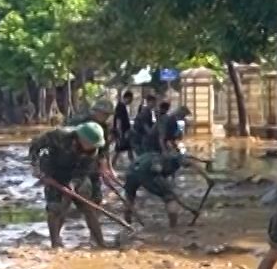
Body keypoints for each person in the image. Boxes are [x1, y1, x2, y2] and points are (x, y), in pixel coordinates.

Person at [30, 121, 111, 249]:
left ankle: (100, 243)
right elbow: (35, 145)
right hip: (54, 171)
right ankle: (55, 244)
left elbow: (84, 171)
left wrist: (73, 184)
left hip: (76, 174)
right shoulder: (59, 135)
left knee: (89, 207)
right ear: (82, 139)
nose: (93, 148)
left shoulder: (93, 151)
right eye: (90, 145)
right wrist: (35, 166)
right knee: (55, 209)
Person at [123, 149, 207, 229]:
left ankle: (127, 224)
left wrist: (190, 209)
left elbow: (191, 161)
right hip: (148, 172)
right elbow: (190, 162)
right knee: (170, 199)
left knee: (129, 199)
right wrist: (207, 178)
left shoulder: (159, 156)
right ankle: (173, 227)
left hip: (131, 170)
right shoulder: (176, 159)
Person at [113, 90, 135, 159]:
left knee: (128, 148)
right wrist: (120, 133)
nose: (131, 101)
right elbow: (118, 120)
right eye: (130, 99)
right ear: (127, 98)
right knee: (119, 149)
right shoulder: (120, 106)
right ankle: (111, 164)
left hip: (125, 132)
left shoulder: (122, 106)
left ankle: (133, 163)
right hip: (122, 132)